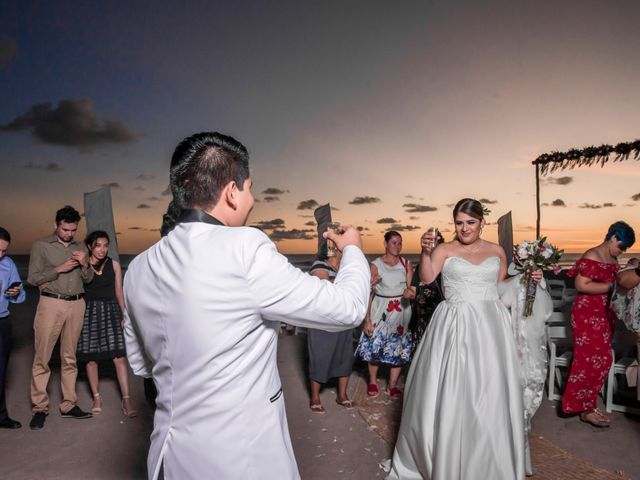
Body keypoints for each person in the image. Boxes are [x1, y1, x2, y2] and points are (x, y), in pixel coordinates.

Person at [123, 132, 369, 480]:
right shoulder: (245, 248)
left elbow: (143, 365)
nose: (253, 199)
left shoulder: (138, 269)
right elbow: (348, 308)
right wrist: (353, 249)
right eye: (250, 188)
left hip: (169, 455)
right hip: (239, 457)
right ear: (232, 192)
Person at [385, 198, 525, 480]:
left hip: (490, 325)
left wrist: (528, 277)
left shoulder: (497, 251)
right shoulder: (444, 249)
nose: (465, 228)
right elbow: (426, 278)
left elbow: (501, 288)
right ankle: (448, 455)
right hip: (455, 323)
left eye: (470, 222)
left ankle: (489, 455)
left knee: (490, 389)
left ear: (482, 222)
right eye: (459, 223)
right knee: (456, 386)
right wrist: (426, 252)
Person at [562, 221, 635, 427]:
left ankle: (588, 404)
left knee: (601, 360)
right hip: (587, 313)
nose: (621, 251)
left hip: (604, 312)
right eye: (621, 245)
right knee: (589, 360)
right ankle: (584, 408)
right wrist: (611, 286)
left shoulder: (612, 258)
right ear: (612, 237)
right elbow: (581, 284)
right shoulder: (592, 255)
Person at [27, 205, 94, 430]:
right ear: (56, 225)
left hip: (77, 304)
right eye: (65, 229)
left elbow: (88, 279)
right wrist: (59, 268)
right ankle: (39, 407)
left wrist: (85, 263)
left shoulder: (80, 246)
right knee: (42, 357)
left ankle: (68, 405)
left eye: (73, 230)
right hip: (51, 303)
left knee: (70, 358)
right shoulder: (41, 246)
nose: (69, 234)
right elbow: (33, 278)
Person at [76, 231, 136, 417]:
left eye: (105, 245)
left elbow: (119, 291)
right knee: (91, 359)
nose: (102, 249)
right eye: (98, 245)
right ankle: (96, 397)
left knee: (119, 357)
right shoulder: (83, 265)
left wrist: (124, 313)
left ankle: (126, 399)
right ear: (89, 247)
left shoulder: (114, 264)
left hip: (110, 311)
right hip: (89, 312)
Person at [356, 231, 414, 398]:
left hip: (402, 310)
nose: (397, 246)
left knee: (399, 348)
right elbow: (368, 293)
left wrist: (410, 293)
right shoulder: (375, 264)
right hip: (380, 309)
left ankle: (392, 385)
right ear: (386, 243)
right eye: (394, 242)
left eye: (400, 243)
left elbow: (411, 288)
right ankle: (373, 382)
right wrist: (367, 320)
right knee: (375, 346)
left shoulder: (406, 263)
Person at [307, 247, 356, 414]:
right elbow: (325, 288)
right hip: (323, 320)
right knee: (320, 356)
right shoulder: (319, 265)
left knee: (345, 357)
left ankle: (341, 395)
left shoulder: (345, 269)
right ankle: (314, 397)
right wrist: (351, 285)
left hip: (343, 319)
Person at [0, 227, 26, 429]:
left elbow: (19, 296)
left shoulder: (8, 265)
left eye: (4, 251)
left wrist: (15, 292)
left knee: (1, 372)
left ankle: (1, 416)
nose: (1, 255)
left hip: (2, 322)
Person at [408, 231, 444, 348]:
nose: (431, 247)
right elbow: (413, 289)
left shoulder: (447, 265)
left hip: (440, 317)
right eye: (428, 243)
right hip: (422, 318)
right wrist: (408, 293)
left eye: (434, 243)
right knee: (421, 352)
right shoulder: (420, 267)